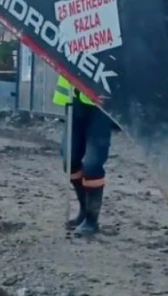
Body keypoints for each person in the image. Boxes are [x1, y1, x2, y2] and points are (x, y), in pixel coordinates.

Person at [53, 75, 112, 236]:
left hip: (101, 102)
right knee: (70, 160)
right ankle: (84, 211)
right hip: (74, 97)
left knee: (93, 164)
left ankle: (92, 221)